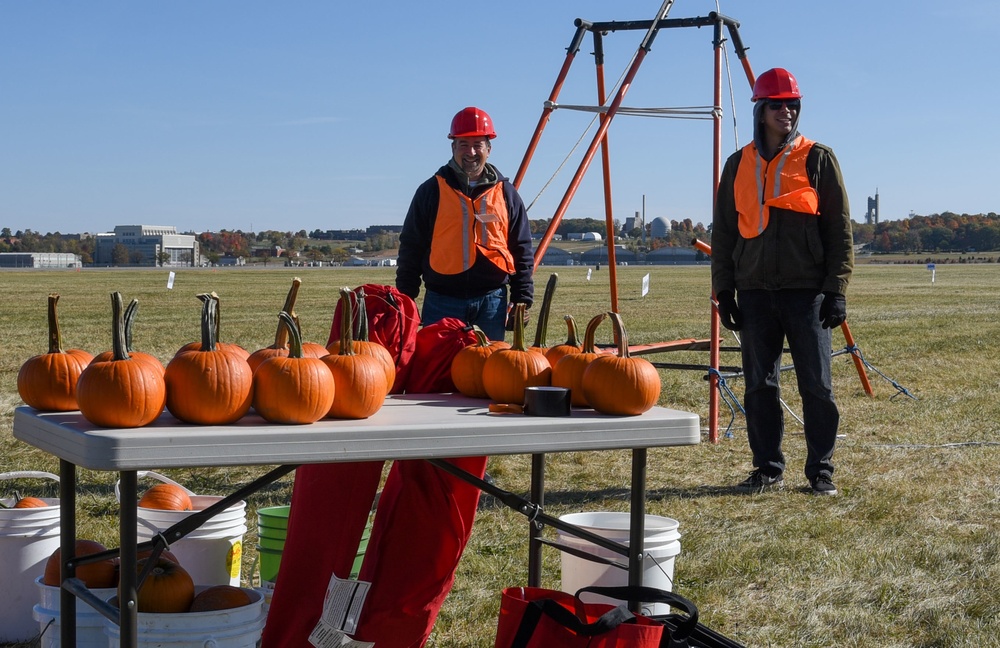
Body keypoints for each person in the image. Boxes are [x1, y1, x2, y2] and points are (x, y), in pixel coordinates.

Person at [711, 67, 854, 496]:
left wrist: (836, 288)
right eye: (778, 105)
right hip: (754, 292)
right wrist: (724, 288)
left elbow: (838, 228)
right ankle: (768, 468)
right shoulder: (737, 164)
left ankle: (821, 470)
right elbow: (724, 231)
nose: (787, 112)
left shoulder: (818, 158)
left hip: (806, 292)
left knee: (817, 385)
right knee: (759, 386)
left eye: (793, 104)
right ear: (760, 109)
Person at [396, 106, 535, 340]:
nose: (470, 152)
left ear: (488, 149)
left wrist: (522, 299)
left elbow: (521, 248)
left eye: (477, 144)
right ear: (453, 148)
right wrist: (405, 298)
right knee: (439, 372)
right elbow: (412, 246)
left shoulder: (507, 194)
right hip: (442, 302)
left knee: (487, 372)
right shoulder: (430, 191)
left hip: (492, 302)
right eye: (463, 144)